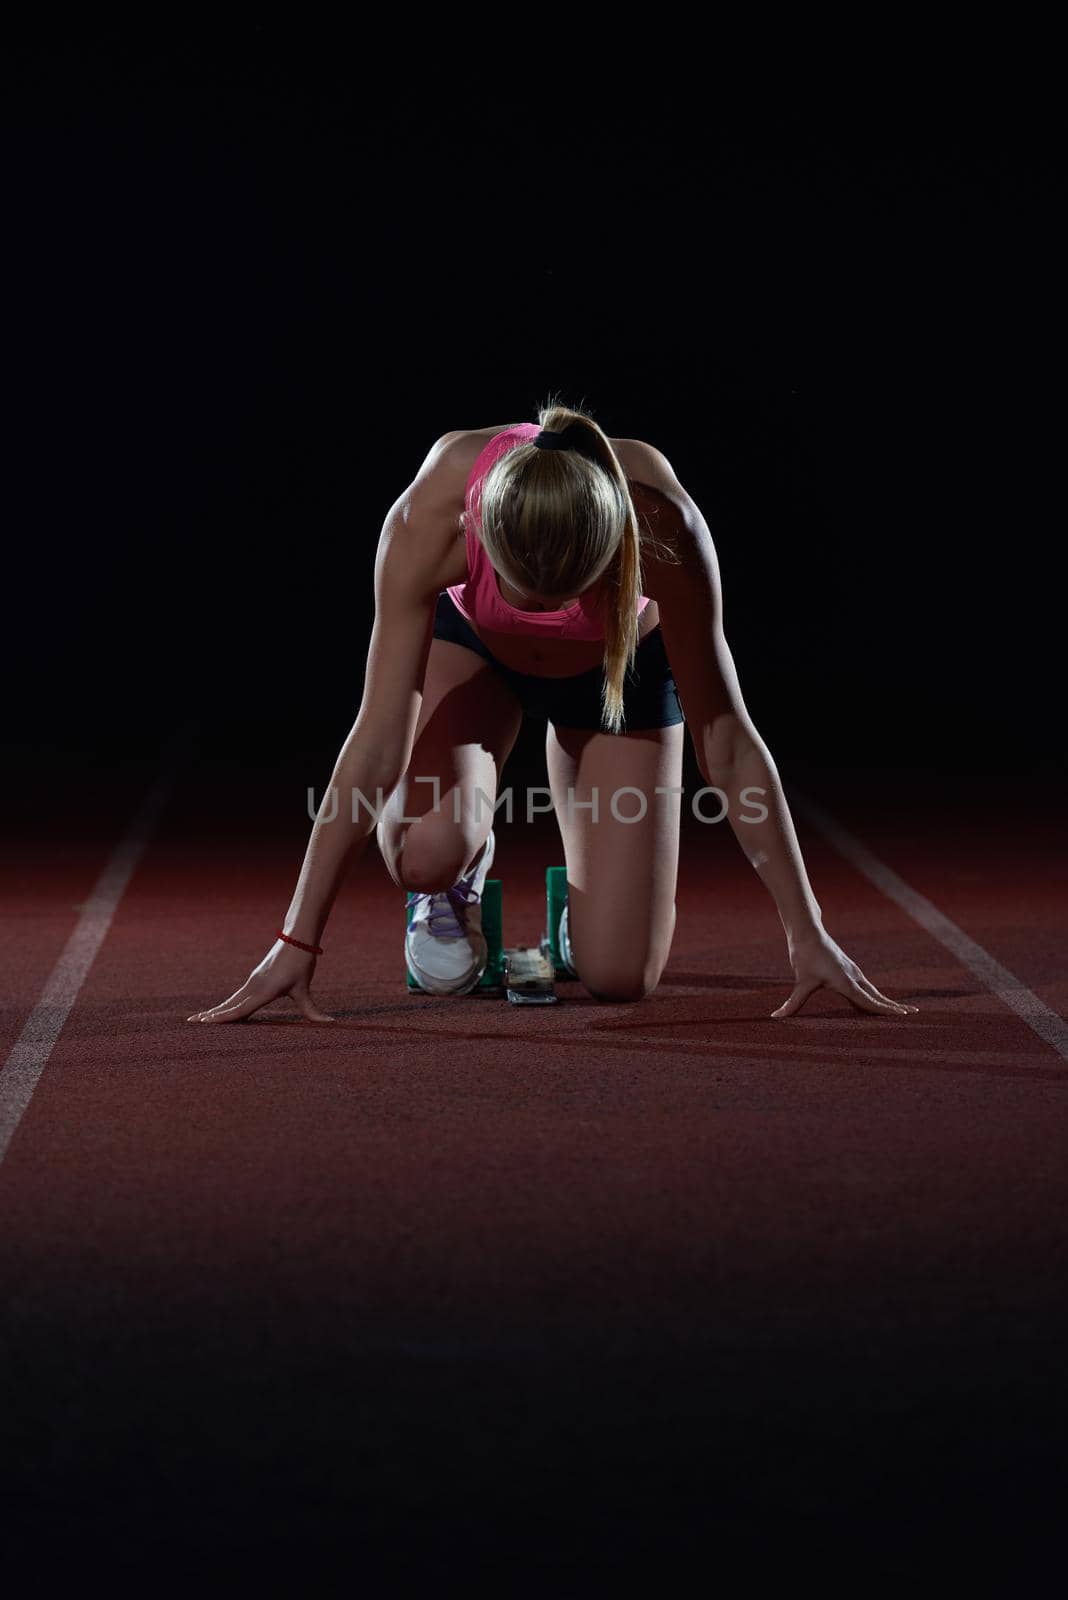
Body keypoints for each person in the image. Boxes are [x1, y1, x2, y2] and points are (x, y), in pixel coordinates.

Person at [187, 401, 918, 1023]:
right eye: (522, 593)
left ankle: (586, 907)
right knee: (422, 852)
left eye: (567, 596)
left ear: (612, 557)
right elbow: (376, 742)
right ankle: (457, 880)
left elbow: (726, 741)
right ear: (481, 536)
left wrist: (807, 931)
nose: (543, 613)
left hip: (616, 671)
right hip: (475, 654)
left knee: (620, 978)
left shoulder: (666, 529)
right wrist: (297, 940)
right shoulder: (430, 516)